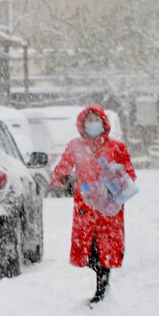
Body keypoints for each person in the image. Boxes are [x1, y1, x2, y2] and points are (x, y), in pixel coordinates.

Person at [50, 105, 136, 304]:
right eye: (89, 120)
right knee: (88, 250)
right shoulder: (75, 146)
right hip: (85, 206)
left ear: (104, 123)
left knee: (107, 248)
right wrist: (67, 179)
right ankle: (101, 281)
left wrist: (114, 185)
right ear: (82, 124)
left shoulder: (117, 147)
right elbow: (61, 168)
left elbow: (129, 173)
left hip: (109, 207)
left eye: (96, 120)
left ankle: (102, 288)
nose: (92, 124)